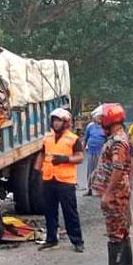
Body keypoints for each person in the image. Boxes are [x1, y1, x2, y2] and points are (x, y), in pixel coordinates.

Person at [95, 104, 133, 265]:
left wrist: (108, 194)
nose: (99, 122)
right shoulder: (115, 138)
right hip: (119, 191)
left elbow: (118, 169)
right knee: (123, 228)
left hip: (116, 193)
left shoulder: (117, 141)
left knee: (114, 230)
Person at [37, 108, 85, 252]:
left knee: (70, 212)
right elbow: (42, 155)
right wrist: (37, 170)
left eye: (58, 120)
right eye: (54, 120)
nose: (56, 123)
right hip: (49, 179)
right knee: (49, 212)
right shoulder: (47, 138)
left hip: (65, 181)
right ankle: (51, 239)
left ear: (65, 122)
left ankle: (77, 241)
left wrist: (66, 159)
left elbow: (80, 157)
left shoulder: (73, 139)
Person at [83, 110, 107, 196]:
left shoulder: (105, 127)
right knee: (90, 171)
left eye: (101, 117)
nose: (99, 119)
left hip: (101, 152)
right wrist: (82, 151)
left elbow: (108, 140)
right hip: (91, 151)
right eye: (97, 117)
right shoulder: (90, 126)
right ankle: (89, 189)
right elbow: (85, 138)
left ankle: (101, 190)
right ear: (94, 118)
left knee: (101, 171)